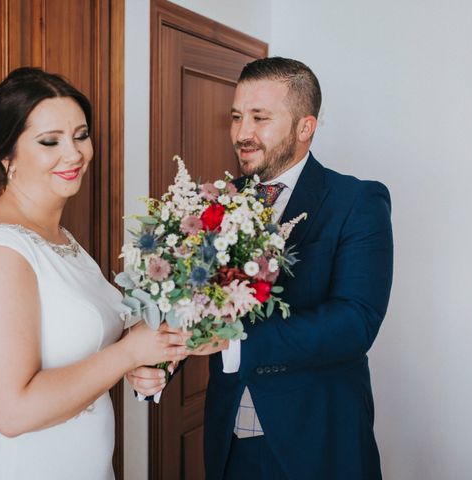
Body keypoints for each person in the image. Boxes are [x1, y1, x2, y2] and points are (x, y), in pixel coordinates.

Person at [128, 57, 393, 479]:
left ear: (306, 127)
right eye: (236, 117)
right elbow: (196, 303)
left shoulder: (356, 201)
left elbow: (355, 322)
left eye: (260, 118)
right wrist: (160, 364)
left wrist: (232, 342)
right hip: (229, 444)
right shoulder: (213, 205)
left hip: (317, 442)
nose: (241, 133)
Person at [0, 67, 189, 479]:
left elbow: (88, 349)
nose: (74, 154)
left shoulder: (58, 236)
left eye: (80, 135)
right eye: (49, 141)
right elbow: (12, 411)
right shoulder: (1, 254)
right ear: (7, 155)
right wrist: (129, 353)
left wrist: (149, 353)